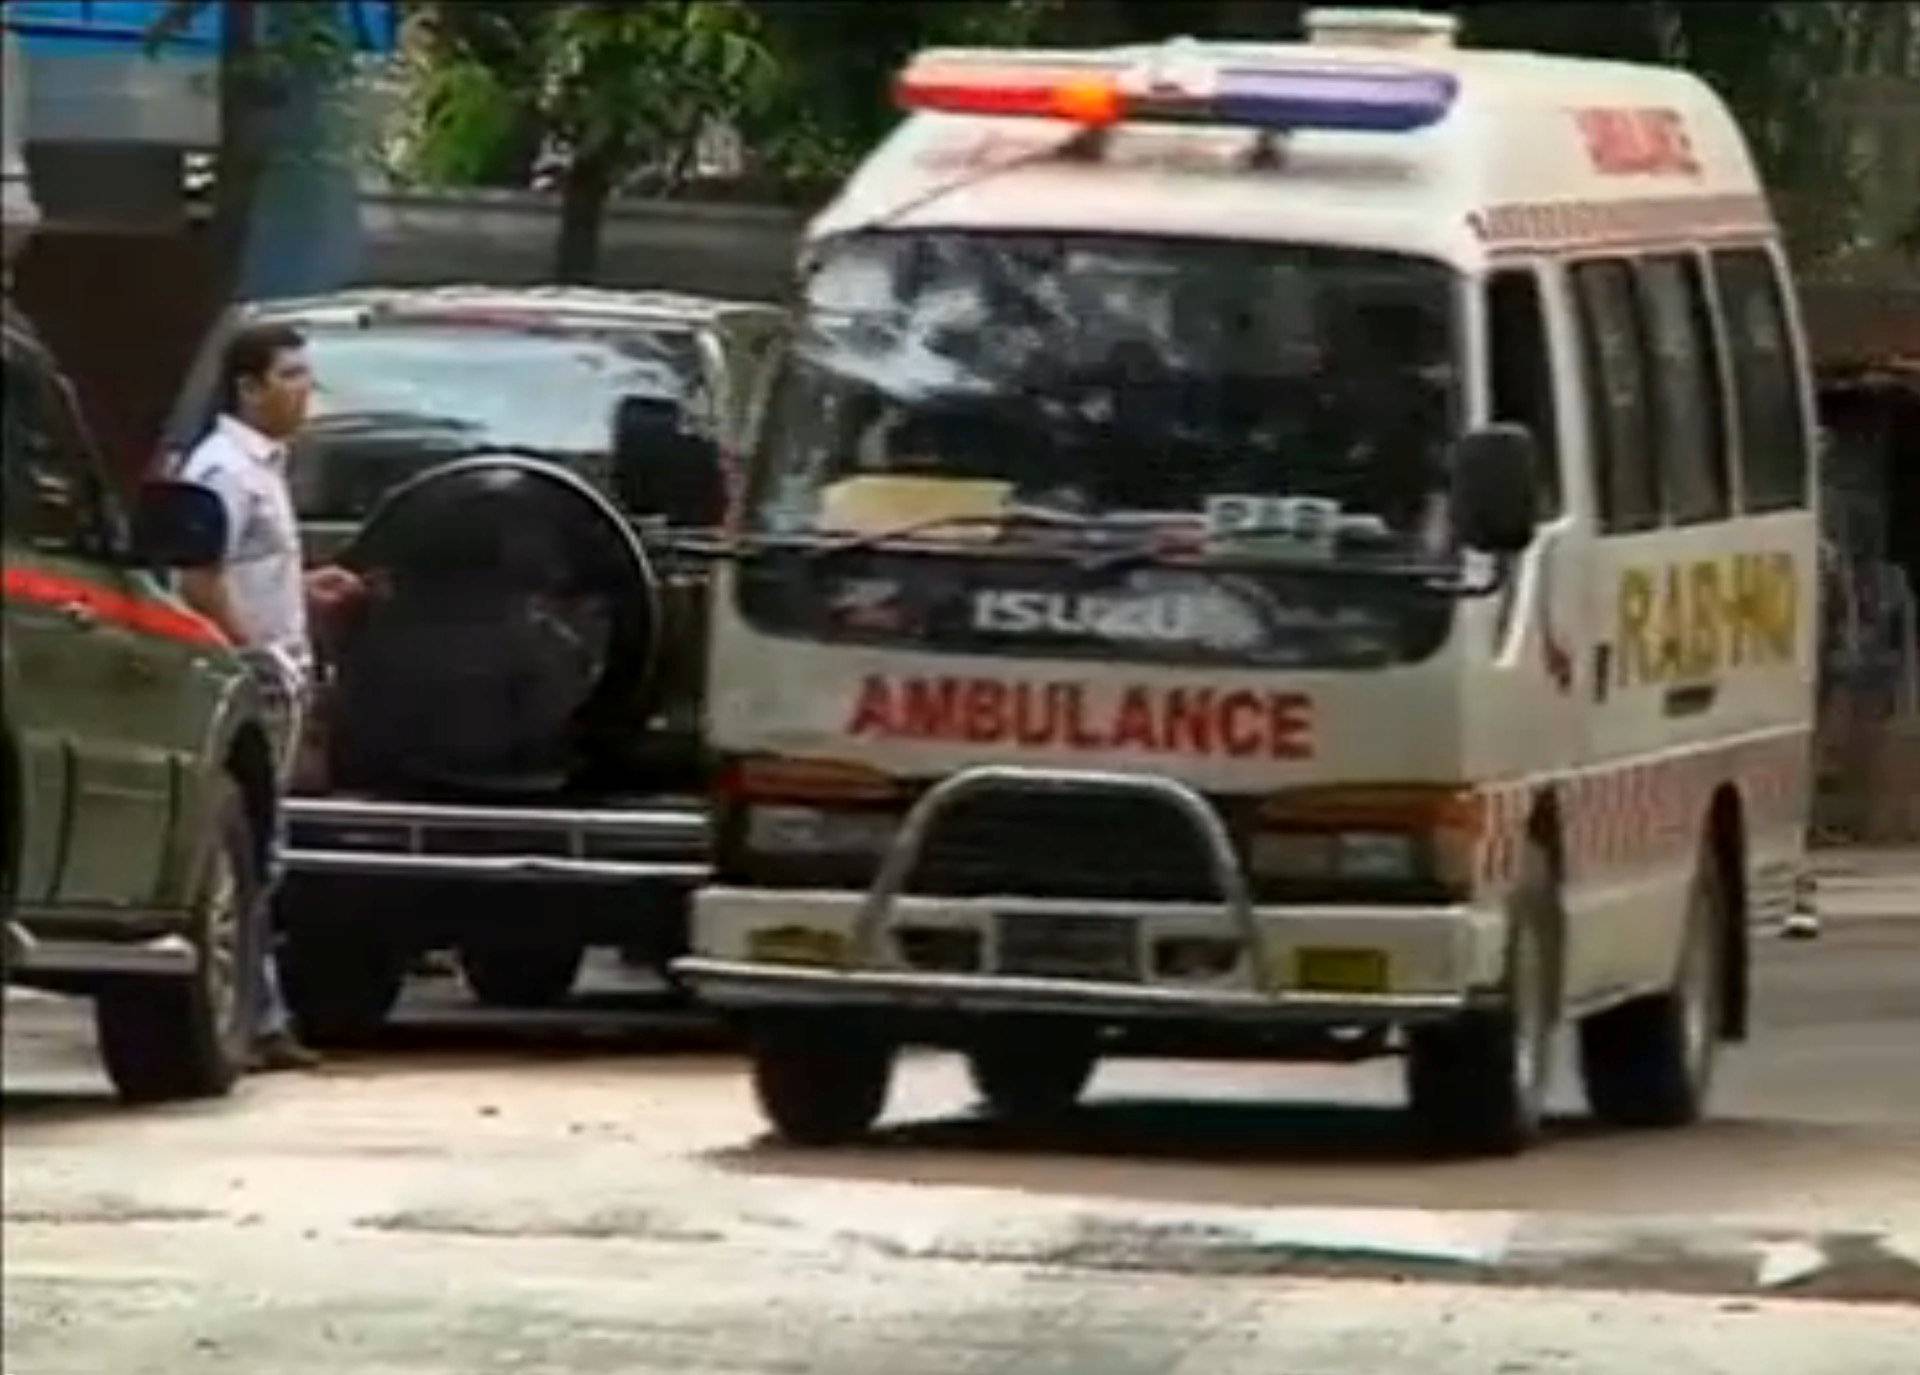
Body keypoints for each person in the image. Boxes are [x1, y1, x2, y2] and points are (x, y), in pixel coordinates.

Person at [176, 322, 364, 1071]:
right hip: (251, 679)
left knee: (262, 851)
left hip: (276, 672)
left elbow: (245, 566)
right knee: (249, 850)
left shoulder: (263, 469)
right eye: (289, 376)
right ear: (248, 387)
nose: (303, 391)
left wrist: (303, 588)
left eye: (305, 376)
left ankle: (261, 1014)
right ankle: (250, 1018)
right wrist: (252, 651)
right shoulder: (225, 468)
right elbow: (199, 576)